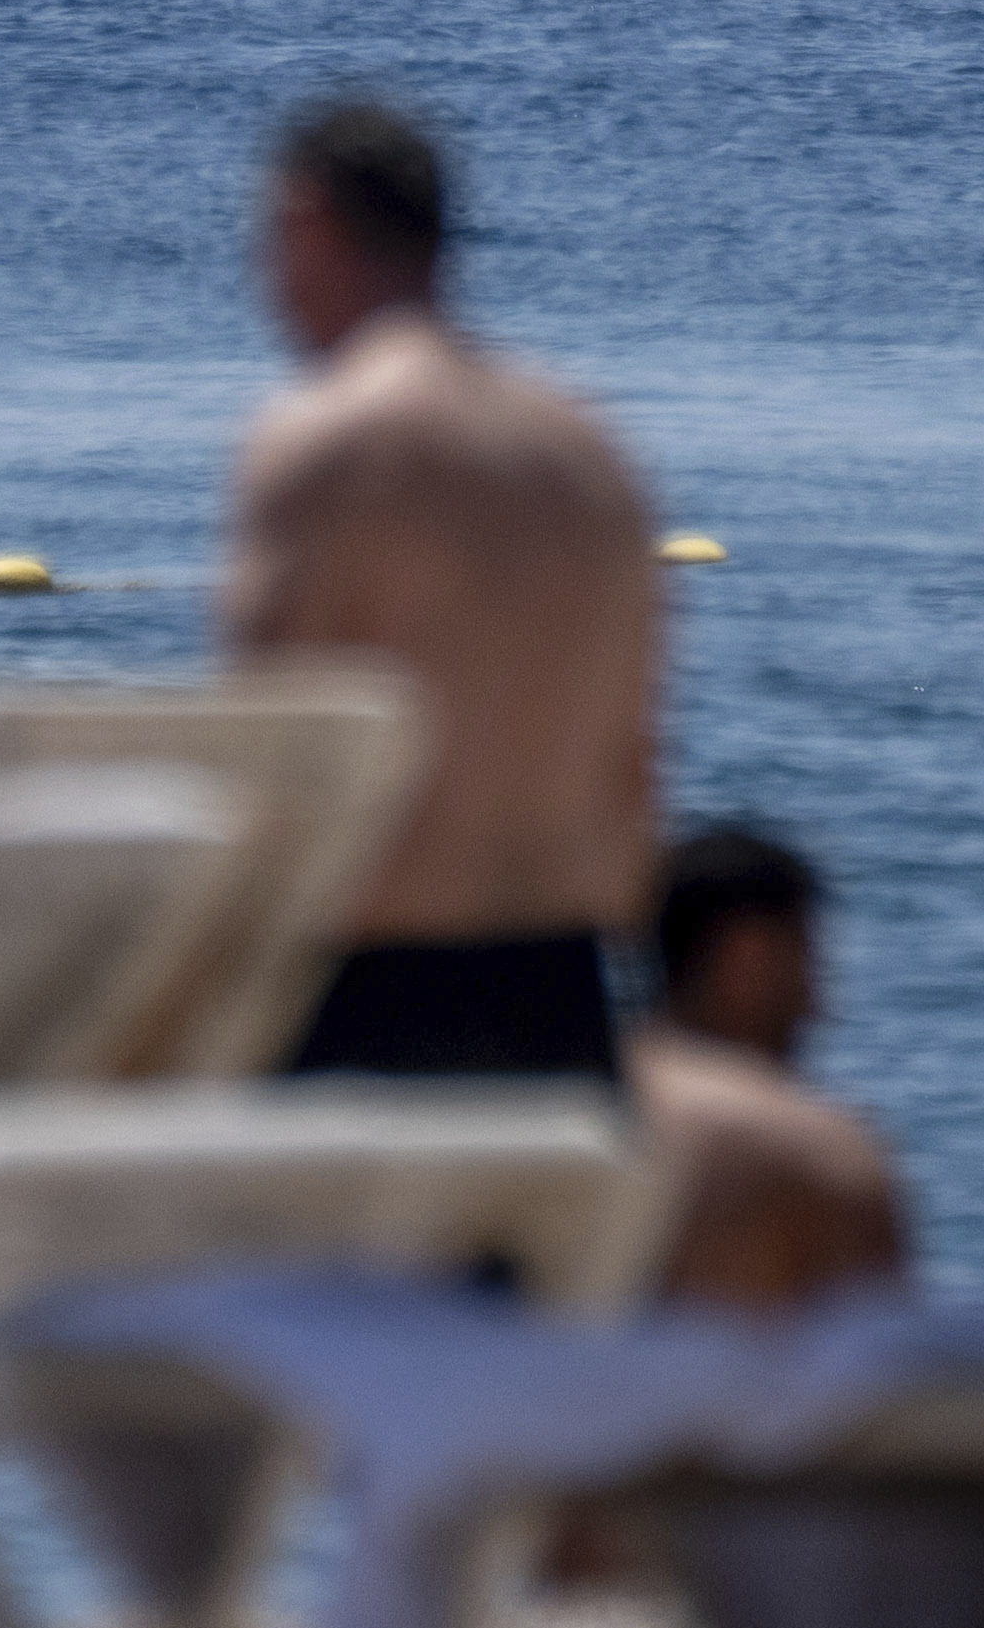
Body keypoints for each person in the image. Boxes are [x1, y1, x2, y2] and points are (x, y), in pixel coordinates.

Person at [213, 92, 666, 1081]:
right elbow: (632, 766)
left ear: (306, 218)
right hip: (566, 991)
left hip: (366, 992)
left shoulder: (327, 445)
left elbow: (267, 752)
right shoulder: (589, 455)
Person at [625, 825, 912, 1313]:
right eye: (806, 965)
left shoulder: (556, 1105)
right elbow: (878, 1374)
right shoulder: (813, 1154)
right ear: (746, 960)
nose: (815, 1007)